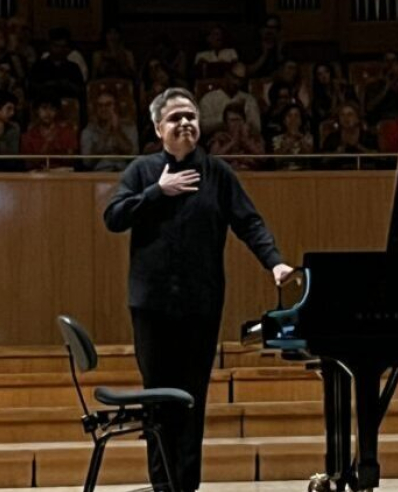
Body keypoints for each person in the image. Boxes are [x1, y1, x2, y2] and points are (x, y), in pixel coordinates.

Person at [103, 87, 293, 492]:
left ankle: (186, 487)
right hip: (151, 305)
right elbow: (114, 216)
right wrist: (158, 191)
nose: (185, 122)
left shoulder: (218, 174)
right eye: (175, 118)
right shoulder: (142, 170)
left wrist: (274, 261)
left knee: (192, 400)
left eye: (190, 116)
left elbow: (249, 223)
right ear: (158, 127)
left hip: (200, 305)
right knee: (157, 400)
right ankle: (162, 487)